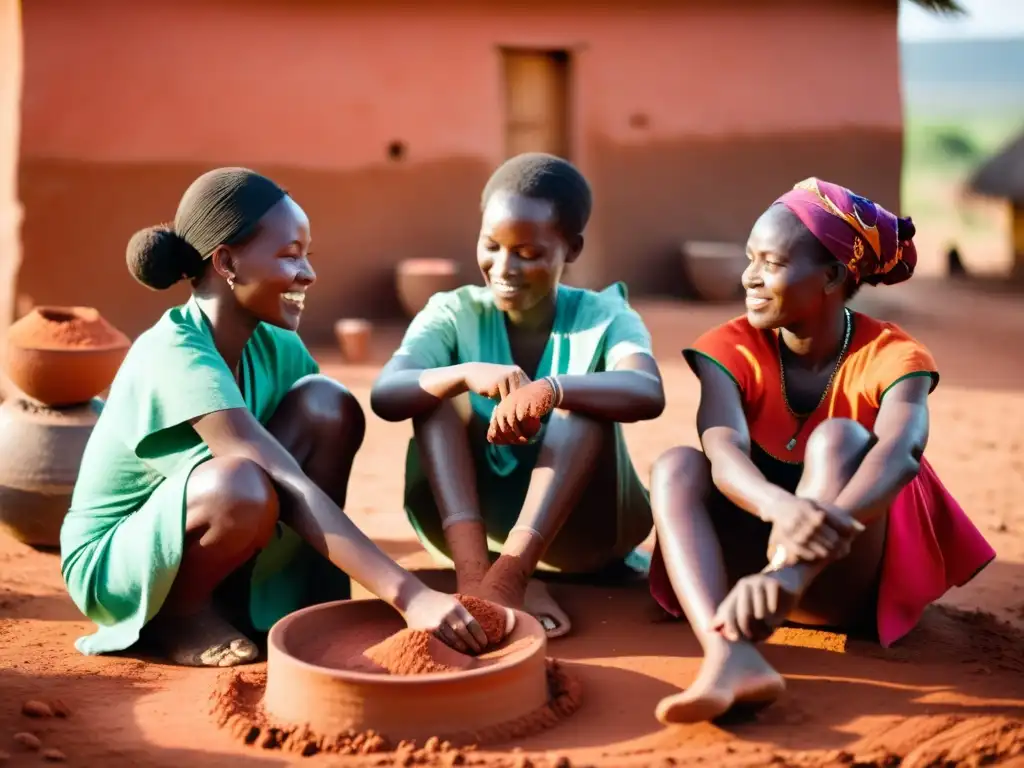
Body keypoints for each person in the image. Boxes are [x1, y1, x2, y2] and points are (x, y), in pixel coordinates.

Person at [60, 168, 492, 667]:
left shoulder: (275, 342)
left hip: (218, 520)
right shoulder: (174, 352)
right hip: (118, 558)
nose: (308, 272)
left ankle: (287, 601)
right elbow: (281, 477)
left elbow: (305, 461)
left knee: (329, 405)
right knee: (241, 483)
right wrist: (411, 596)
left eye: (307, 255)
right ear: (226, 262)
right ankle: (180, 614)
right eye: (290, 256)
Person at [647, 178, 996, 724]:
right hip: (749, 593)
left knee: (839, 437)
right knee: (676, 465)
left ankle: (774, 602)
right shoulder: (731, 345)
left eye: (772, 262)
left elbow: (901, 454)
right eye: (750, 259)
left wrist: (786, 570)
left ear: (832, 276)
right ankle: (729, 655)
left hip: (834, 593)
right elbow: (722, 445)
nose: (750, 277)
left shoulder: (894, 354)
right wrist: (779, 508)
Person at [370, 153, 666, 639]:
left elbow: (646, 390)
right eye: (492, 245)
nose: (503, 267)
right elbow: (387, 393)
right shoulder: (453, 311)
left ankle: (512, 577)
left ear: (571, 250)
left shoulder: (604, 314)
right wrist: (463, 374)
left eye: (528, 252)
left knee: (582, 402)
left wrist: (553, 389)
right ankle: (476, 580)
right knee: (435, 394)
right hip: (473, 532)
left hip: (580, 532)